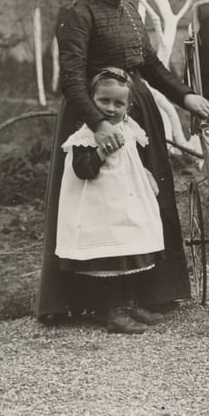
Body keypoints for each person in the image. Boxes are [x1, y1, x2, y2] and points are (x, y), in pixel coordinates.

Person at [36, 0, 209, 320]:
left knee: (142, 203)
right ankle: (99, 303)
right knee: (104, 210)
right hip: (95, 117)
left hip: (137, 116)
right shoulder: (78, 14)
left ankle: (145, 293)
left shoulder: (130, 11)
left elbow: (149, 64)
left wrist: (185, 97)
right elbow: (71, 78)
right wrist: (98, 124)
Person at [56, 67, 165, 334]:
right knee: (111, 259)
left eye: (119, 103)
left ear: (128, 106)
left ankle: (130, 303)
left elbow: (131, 156)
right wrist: (102, 152)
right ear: (91, 101)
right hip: (100, 207)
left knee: (130, 251)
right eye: (104, 101)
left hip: (125, 203)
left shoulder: (128, 127)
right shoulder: (85, 136)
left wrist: (145, 173)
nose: (111, 109)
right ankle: (113, 312)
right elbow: (83, 170)